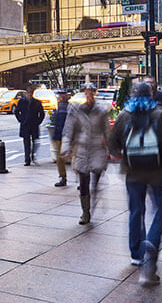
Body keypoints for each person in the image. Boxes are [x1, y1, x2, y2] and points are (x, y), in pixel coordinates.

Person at [109, 82, 162, 287]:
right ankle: (151, 245)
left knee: (136, 210)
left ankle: (136, 253)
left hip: (133, 172)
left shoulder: (124, 116)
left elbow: (113, 147)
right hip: (159, 172)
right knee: (160, 209)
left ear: (133, 94)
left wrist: (125, 155)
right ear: (152, 95)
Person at [61, 83, 110, 225]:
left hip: (97, 148)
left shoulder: (101, 111)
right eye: (87, 92)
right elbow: (69, 129)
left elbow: (106, 130)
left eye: (92, 92)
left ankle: (94, 193)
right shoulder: (76, 110)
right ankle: (85, 211)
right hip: (82, 150)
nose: (89, 95)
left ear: (94, 93)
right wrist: (66, 146)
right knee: (83, 180)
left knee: (96, 175)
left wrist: (113, 148)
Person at [15, 83, 44, 166]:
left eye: (31, 93)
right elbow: (17, 111)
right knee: (26, 143)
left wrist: (38, 122)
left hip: (34, 125)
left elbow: (41, 114)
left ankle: (32, 156)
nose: (30, 94)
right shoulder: (22, 101)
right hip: (25, 125)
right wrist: (21, 120)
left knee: (35, 141)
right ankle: (27, 159)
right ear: (26, 93)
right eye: (28, 93)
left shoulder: (37, 102)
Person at [50, 89, 70, 187]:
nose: (61, 97)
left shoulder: (70, 107)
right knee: (59, 158)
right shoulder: (58, 106)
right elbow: (57, 122)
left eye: (63, 95)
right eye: (60, 95)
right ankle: (62, 177)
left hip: (68, 136)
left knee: (75, 158)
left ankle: (81, 179)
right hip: (59, 135)